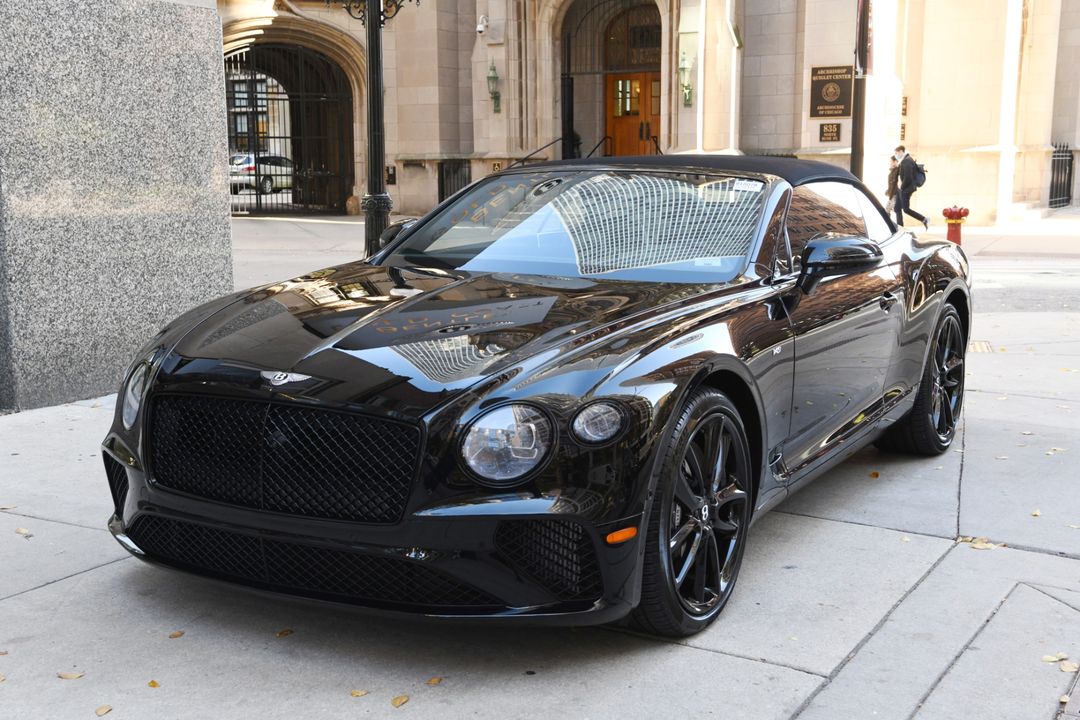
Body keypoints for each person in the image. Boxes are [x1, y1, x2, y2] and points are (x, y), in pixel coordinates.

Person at [894, 145, 928, 230]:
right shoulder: (904, 160)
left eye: (896, 153)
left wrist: (901, 187)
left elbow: (908, 177)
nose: (896, 155)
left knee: (906, 209)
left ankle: (924, 219)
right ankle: (900, 228)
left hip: (906, 188)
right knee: (897, 208)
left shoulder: (907, 161)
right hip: (901, 189)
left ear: (901, 151)